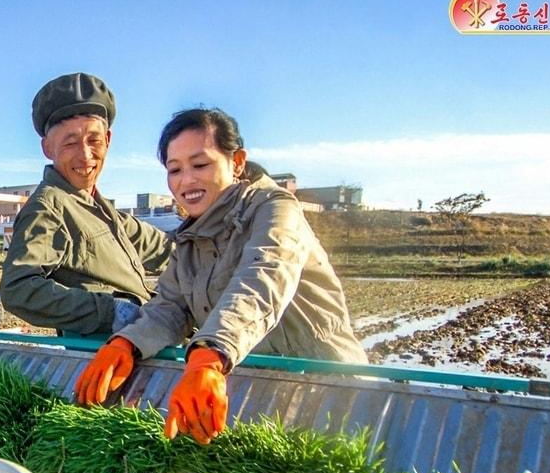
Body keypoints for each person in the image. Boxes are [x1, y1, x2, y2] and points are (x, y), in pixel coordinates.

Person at [75, 107, 365, 444]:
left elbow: (261, 280)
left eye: (200, 165)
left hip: (329, 389)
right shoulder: (190, 240)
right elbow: (169, 306)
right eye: (175, 170)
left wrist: (208, 358)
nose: (186, 181)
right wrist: (126, 343)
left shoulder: (275, 209)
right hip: (261, 392)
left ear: (237, 161)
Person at [0, 73, 171, 336]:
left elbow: (166, 248)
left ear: (109, 140)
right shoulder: (49, 207)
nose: (86, 155)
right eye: (70, 142)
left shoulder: (102, 210)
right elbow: (19, 289)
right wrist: (112, 312)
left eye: (94, 140)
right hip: (103, 360)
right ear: (47, 147)